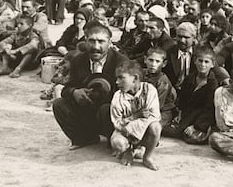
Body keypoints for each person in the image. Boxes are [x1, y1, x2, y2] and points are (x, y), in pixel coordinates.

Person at [53, 21, 128, 150]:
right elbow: (67, 88)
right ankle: (84, 138)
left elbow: (128, 96)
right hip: (86, 112)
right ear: (85, 41)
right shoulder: (78, 60)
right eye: (91, 41)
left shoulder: (121, 62)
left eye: (101, 41)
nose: (96, 46)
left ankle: (114, 139)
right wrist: (75, 92)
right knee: (59, 104)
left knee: (106, 109)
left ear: (110, 43)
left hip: (109, 114)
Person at [110, 60, 161, 170]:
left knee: (156, 127)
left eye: (121, 78)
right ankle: (128, 151)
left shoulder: (149, 90)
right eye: (117, 78)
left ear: (135, 78)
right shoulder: (117, 97)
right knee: (117, 142)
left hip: (143, 132)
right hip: (125, 133)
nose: (117, 82)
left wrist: (134, 128)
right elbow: (117, 124)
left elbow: (154, 116)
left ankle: (147, 157)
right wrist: (135, 116)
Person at [163, 46, 218, 144]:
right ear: (195, 61)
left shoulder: (212, 84)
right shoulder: (190, 78)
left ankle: (200, 130)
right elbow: (183, 99)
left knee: (180, 132)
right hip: (188, 112)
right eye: (200, 61)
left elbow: (209, 109)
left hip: (201, 115)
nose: (202, 65)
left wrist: (195, 126)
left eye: (206, 62)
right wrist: (180, 114)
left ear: (212, 64)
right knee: (173, 125)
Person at [143, 47, 176, 127]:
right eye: (150, 60)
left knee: (151, 126)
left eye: (157, 61)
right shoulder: (142, 73)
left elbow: (157, 105)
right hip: (144, 107)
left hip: (162, 111)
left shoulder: (162, 81)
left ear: (163, 64)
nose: (153, 64)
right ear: (145, 60)